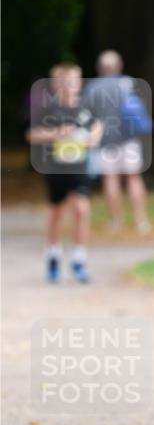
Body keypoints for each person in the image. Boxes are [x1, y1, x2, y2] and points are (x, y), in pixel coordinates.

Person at [26, 63, 103, 283]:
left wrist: (93, 137)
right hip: (55, 169)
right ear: (55, 85)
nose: (69, 86)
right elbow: (31, 135)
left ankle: (79, 259)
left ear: (79, 83)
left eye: (73, 81)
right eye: (64, 81)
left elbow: (98, 125)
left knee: (81, 208)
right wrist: (57, 133)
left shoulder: (86, 108)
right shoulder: (47, 111)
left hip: (79, 168)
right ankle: (53, 255)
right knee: (56, 212)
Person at [82, 50, 151, 235]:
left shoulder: (93, 88)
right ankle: (141, 221)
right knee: (134, 177)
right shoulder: (128, 84)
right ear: (118, 66)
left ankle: (116, 221)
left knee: (110, 179)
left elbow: (86, 115)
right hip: (129, 139)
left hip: (104, 141)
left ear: (99, 68)